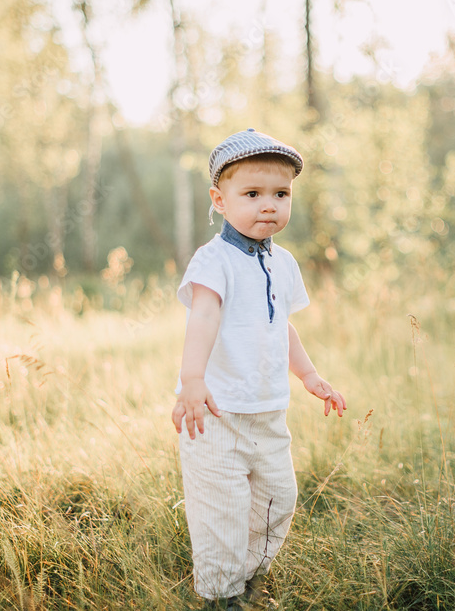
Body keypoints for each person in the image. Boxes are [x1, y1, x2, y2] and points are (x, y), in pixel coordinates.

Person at [172, 128, 346, 610]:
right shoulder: (214, 261)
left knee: (277, 501)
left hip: (269, 414)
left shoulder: (284, 262)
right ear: (220, 199)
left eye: (281, 194)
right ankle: (220, 594)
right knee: (221, 511)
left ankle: (247, 577)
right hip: (217, 415)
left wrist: (309, 375)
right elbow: (204, 318)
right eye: (252, 194)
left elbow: (279, 326)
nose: (269, 205)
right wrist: (192, 381)